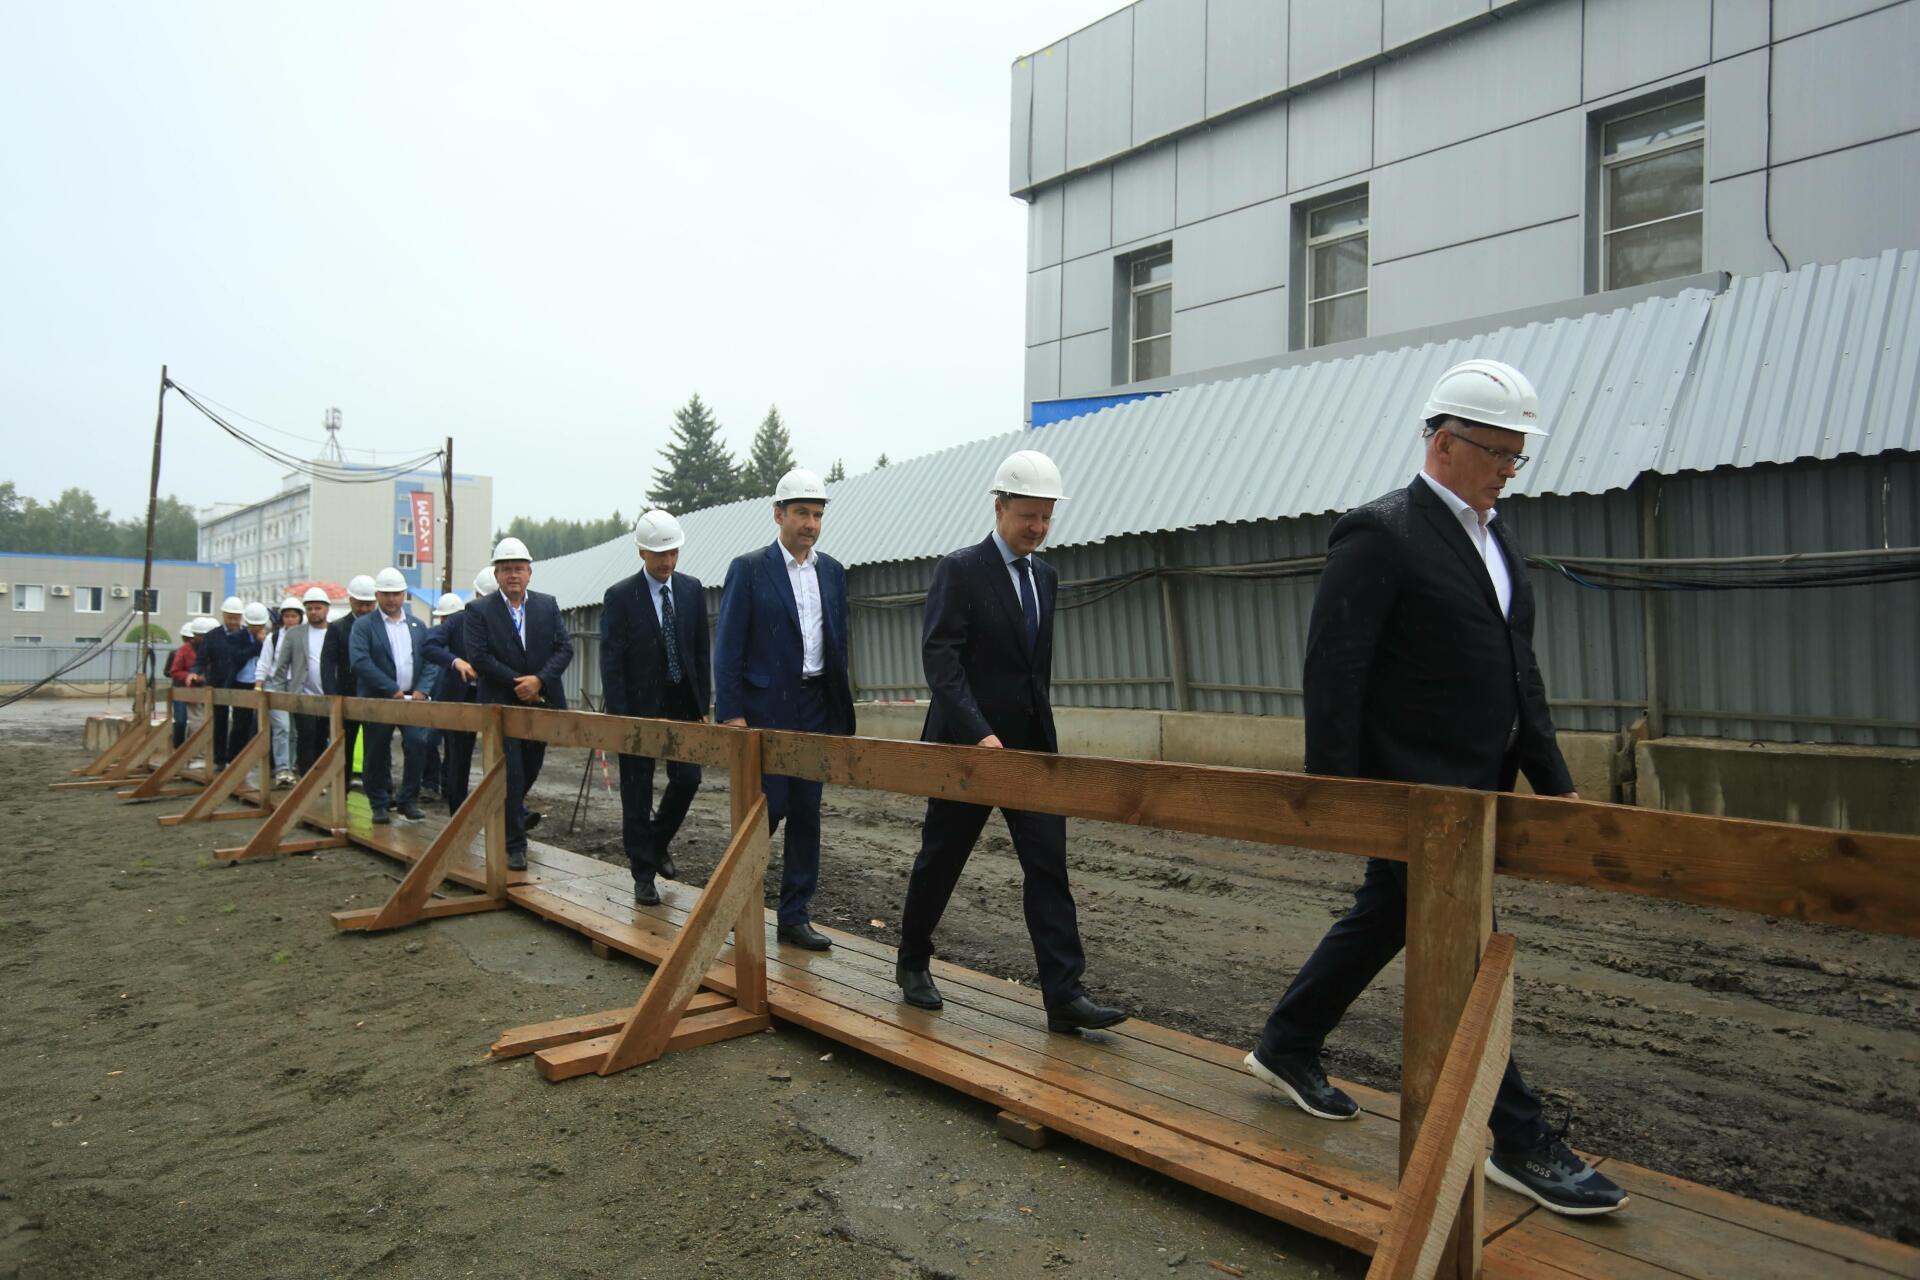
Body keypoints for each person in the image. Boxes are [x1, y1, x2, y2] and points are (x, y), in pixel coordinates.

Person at [1242, 358, 1626, 1218]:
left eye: (1519, 455)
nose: (1510, 469)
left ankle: (1287, 1042)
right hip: (1412, 797)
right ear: (1445, 442)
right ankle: (1517, 1137)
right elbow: (1334, 669)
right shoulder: (1380, 533)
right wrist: (1336, 796)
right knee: (1462, 949)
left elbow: (1519, 670)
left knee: (1387, 916)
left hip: (1476, 790)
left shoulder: (1498, 540)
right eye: (1498, 452)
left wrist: (1554, 783)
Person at [893, 451, 1127, 1035]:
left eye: (1046, 517)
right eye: (1028, 516)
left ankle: (1064, 994)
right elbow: (941, 661)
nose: (1038, 528)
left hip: (1030, 751)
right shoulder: (960, 570)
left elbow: (1032, 670)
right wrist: (978, 732)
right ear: (999, 508)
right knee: (942, 858)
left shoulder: (1045, 576)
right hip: (968, 750)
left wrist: (1038, 738)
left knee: (1048, 866)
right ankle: (912, 961)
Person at [714, 468, 855, 951]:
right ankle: (732, 904)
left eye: (817, 514)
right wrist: (731, 712)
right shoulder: (750, 569)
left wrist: (837, 708)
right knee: (766, 809)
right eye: (801, 513)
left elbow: (838, 642)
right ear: (778, 515)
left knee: (807, 812)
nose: (810, 524)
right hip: (766, 708)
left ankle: (794, 916)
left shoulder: (832, 572)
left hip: (815, 705)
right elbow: (728, 646)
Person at [601, 509, 711, 907]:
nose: (668, 562)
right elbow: (611, 662)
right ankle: (643, 875)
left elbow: (700, 650)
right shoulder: (620, 596)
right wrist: (621, 718)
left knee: (688, 779)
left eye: (673, 553)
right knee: (637, 790)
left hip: (682, 703)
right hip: (639, 708)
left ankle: (656, 841)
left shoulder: (691, 589)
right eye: (660, 554)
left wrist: (703, 703)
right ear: (642, 553)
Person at [467, 537, 574, 871]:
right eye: (506, 569)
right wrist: (519, 684)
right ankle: (514, 844)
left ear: (529, 573)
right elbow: (479, 656)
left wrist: (539, 681)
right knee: (511, 773)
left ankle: (505, 814)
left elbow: (564, 648)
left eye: (519, 568)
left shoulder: (547, 605)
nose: (513, 575)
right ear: (496, 574)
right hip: (500, 705)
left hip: (540, 703)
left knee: (530, 768)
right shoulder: (479, 610)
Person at [349, 567, 432, 825]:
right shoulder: (364, 626)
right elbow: (360, 661)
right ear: (377, 595)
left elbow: (430, 659)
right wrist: (390, 688)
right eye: (386, 594)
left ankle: (408, 800)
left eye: (396, 594)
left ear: (404, 594)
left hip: (412, 700)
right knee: (376, 751)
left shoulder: (418, 626)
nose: (392, 599)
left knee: (417, 745)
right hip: (380, 700)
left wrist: (422, 689)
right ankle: (379, 803)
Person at [423, 568, 493, 814]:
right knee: (458, 760)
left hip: (494, 696)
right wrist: (456, 662)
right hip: (459, 697)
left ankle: (514, 812)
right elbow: (429, 645)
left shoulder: (510, 621)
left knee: (507, 757)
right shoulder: (459, 621)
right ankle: (458, 813)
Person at [270, 587, 335, 775]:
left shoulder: (335, 631)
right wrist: (282, 696)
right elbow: (281, 667)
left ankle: (320, 778)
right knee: (306, 737)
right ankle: (307, 778)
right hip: (302, 696)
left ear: (327, 609)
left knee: (323, 739)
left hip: (329, 697)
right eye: (309, 608)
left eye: (318, 608)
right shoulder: (295, 634)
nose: (313, 612)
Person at [189, 596, 259, 770]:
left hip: (242, 683)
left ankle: (235, 759)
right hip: (218, 683)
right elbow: (202, 658)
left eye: (236, 618)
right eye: (229, 617)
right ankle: (219, 760)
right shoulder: (213, 636)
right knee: (219, 723)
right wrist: (195, 672)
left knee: (242, 722)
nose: (233, 622)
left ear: (241, 617)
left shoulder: (247, 635)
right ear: (223, 615)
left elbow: (252, 652)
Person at [322, 575, 378, 789]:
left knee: (377, 745)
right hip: (346, 694)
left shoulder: (382, 626)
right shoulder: (337, 628)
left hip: (375, 695)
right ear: (351, 601)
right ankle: (341, 786)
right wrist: (332, 694)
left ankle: (379, 788)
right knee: (345, 744)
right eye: (360, 604)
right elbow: (328, 663)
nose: (364, 609)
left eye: (368, 604)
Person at [415, 593, 464, 805]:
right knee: (428, 741)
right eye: (445, 617)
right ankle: (430, 783)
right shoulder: (433, 637)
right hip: (434, 699)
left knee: (454, 747)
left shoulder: (466, 637)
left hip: (455, 700)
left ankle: (449, 786)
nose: (448, 621)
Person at [262, 596, 303, 786]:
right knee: (282, 727)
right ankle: (282, 769)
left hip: (297, 685)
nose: (290, 620)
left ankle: (292, 766)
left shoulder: (305, 637)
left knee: (294, 730)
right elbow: (264, 663)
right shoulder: (273, 638)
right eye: (287, 616)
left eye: (294, 616)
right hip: (275, 684)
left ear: (300, 617)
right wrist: (258, 685)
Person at [227, 601, 272, 772]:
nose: (257, 628)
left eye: (260, 625)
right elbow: (237, 656)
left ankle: (261, 759)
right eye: (254, 625)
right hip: (242, 683)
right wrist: (258, 644)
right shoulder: (236, 637)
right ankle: (234, 758)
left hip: (261, 682)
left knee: (261, 723)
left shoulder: (270, 638)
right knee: (241, 722)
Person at [166, 623, 197, 748]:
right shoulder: (176, 653)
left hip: (196, 691)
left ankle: (191, 748)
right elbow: (168, 671)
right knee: (180, 721)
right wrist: (184, 675)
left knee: (197, 722)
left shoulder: (202, 653)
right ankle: (178, 747)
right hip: (179, 691)